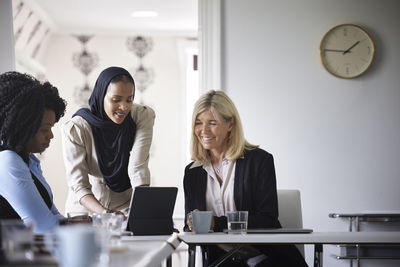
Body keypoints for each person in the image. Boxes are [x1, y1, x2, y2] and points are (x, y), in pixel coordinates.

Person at [184, 90, 308, 266]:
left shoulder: (259, 161)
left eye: (212, 123)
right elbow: (191, 224)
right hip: (224, 261)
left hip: (268, 257)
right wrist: (191, 223)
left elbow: (268, 220)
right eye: (198, 123)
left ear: (230, 124)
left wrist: (216, 223)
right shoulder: (192, 172)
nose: (203, 130)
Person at [61, 66, 155, 216]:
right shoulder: (77, 128)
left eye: (129, 100)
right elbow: (79, 185)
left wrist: (147, 216)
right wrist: (106, 213)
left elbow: (138, 168)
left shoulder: (142, 116)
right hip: (85, 209)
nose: (124, 107)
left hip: (125, 206)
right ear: (101, 95)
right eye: (116, 100)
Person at [0, 71, 67, 233]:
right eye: (45, 129)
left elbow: (54, 215)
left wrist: (92, 223)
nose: (50, 136)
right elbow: (44, 226)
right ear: (22, 126)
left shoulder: (30, 160)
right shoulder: (8, 160)